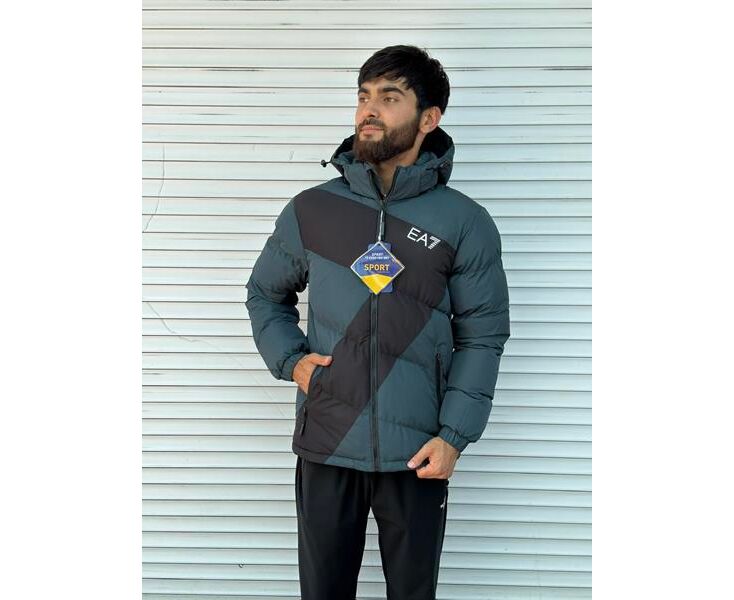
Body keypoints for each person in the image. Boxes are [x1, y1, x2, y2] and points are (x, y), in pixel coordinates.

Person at [245, 45, 510, 600]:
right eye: (364, 96)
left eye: (389, 98)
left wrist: (454, 436)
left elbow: (482, 335)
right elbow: (265, 294)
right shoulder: (312, 210)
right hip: (327, 439)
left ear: (428, 118)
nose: (369, 109)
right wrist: (292, 361)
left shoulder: (464, 221)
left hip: (418, 451)